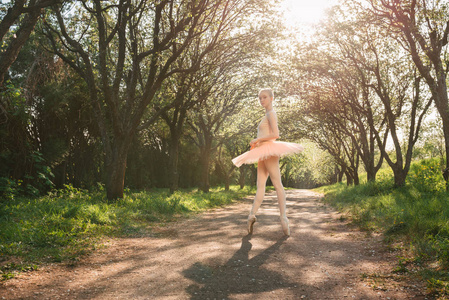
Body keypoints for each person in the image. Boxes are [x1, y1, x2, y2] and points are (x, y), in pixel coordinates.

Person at [232, 88, 303, 236]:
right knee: (261, 186)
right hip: (262, 152)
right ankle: (251, 215)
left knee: (277, 185)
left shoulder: (272, 113)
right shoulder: (266, 115)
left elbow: (275, 134)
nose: (261, 100)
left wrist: (258, 139)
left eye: (264, 97)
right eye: (259, 98)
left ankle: (283, 218)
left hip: (269, 151)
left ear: (271, 98)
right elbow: (267, 134)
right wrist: (257, 143)